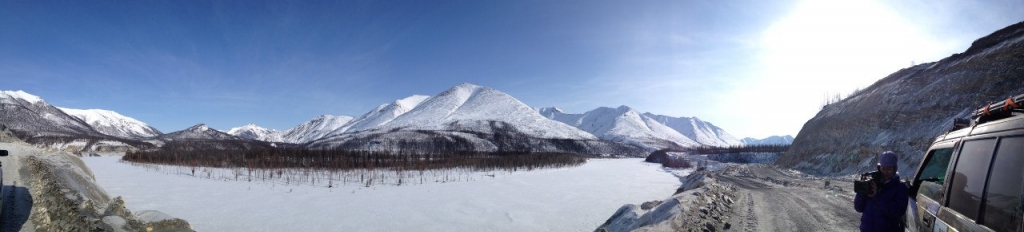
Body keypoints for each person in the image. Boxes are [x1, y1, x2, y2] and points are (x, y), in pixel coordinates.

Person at [854, 151, 909, 232]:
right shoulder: (872, 184)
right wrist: (862, 190)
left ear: (894, 168)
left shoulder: (900, 187)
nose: (885, 172)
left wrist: (877, 196)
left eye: (889, 169)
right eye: (883, 168)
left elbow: (897, 211)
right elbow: (858, 207)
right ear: (879, 168)